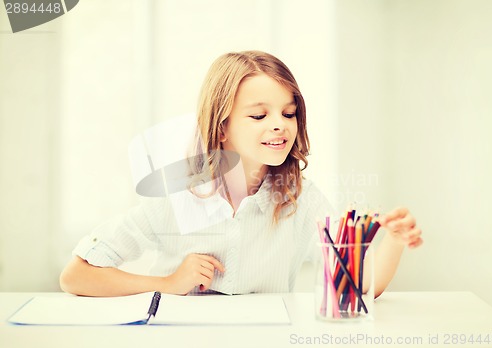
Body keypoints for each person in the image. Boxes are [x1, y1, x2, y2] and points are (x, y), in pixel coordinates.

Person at [60, 51, 423, 298]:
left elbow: (354, 287)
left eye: (289, 113)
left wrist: (392, 240)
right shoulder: (176, 197)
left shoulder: (300, 199)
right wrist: (168, 283)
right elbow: (76, 275)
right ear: (221, 129)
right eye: (259, 116)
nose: (279, 125)